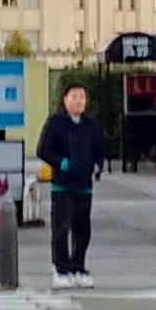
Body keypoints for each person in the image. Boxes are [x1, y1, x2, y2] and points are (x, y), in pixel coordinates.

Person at [34, 80, 103, 282]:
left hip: (84, 186)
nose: (79, 101)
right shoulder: (56, 123)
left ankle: (78, 267)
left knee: (83, 230)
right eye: (74, 97)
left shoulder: (91, 125)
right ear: (65, 100)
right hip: (62, 185)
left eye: (82, 97)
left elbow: (99, 150)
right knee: (61, 229)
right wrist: (62, 164)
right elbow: (43, 150)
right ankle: (61, 269)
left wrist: (97, 166)